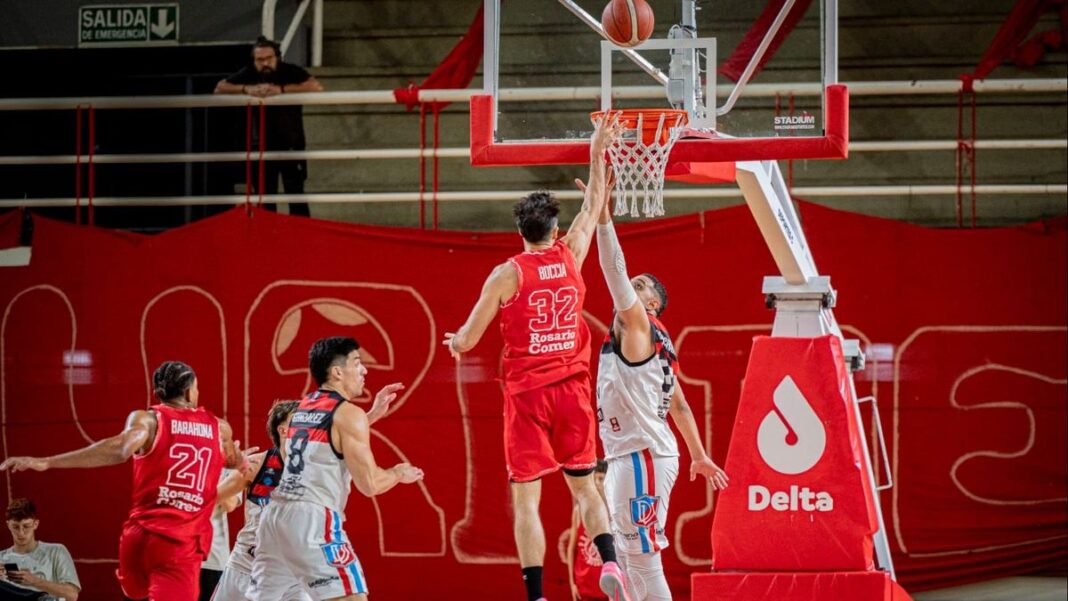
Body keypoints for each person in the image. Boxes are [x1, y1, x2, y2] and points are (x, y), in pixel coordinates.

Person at [442, 116, 631, 601]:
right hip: (572, 391)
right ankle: (611, 561)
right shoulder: (571, 253)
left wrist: (457, 342)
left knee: (527, 501)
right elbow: (593, 204)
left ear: (520, 231)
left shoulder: (507, 274)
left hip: (527, 397)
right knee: (586, 490)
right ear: (554, 229)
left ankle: (537, 595)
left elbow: (470, 336)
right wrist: (597, 149)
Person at [0, 361, 247, 601]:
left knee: (136, 591)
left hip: (136, 541)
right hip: (177, 544)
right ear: (189, 391)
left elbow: (119, 449)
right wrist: (243, 462)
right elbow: (233, 460)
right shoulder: (217, 428)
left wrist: (48, 461)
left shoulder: (148, 420)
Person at [592, 194, 729, 601]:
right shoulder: (655, 345)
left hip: (643, 455)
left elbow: (613, 269)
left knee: (643, 561)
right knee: (627, 559)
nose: (629, 288)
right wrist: (699, 455)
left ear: (651, 304)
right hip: (632, 453)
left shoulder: (640, 324)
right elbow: (679, 405)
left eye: (640, 287)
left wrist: (602, 215)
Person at [248, 337, 423, 601]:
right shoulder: (348, 414)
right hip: (311, 519)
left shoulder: (304, 405)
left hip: (276, 517)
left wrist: (371, 416)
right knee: (352, 597)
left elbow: (328, 439)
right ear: (337, 372)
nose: (364, 370)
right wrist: (398, 473)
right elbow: (370, 484)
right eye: (357, 362)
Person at [214, 36, 324, 217]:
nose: (265, 63)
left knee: (296, 193)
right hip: (261, 144)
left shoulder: (289, 70)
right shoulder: (250, 72)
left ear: (277, 57)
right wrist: (246, 89)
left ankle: (300, 232)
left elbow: (316, 86)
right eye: (260, 59)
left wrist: (281, 90)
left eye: (269, 58)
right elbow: (220, 88)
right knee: (264, 196)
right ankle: (267, 232)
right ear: (254, 60)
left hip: (291, 141)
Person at [210, 400, 309, 601]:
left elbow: (343, 440)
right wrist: (222, 469)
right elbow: (213, 498)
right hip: (247, 568)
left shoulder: (316, 467)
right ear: (283, 430)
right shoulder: (257, 464)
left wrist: (368, 417)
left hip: (293, 576)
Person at [0, 498, 80, 601]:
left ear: (35, 524)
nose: (21, 533)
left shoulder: (56, 551)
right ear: (8, 525)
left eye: (26, 526)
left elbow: (72, 595)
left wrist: (35, 581)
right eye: (15, 527)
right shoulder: (1, 557)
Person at [566, 461, 609, 601]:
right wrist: (572, 583)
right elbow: (572, 549)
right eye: (594, 479)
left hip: (608, 587)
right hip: (584, 586)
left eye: (601, 478)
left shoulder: (615, 512)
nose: (597, 483)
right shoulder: (579, 510)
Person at [199, 470, 241, 601]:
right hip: (177, 552)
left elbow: (230, 504)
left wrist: (209, 471)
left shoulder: (232, 466)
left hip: (212, 556)